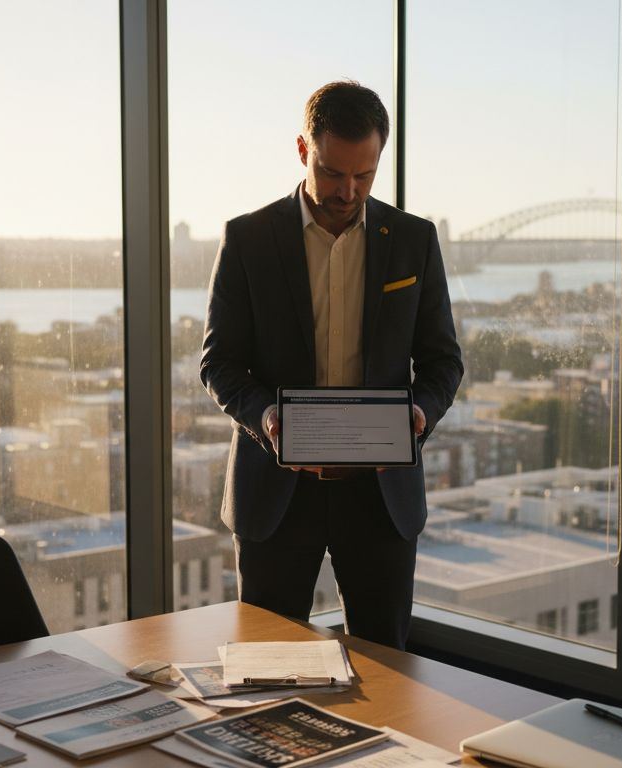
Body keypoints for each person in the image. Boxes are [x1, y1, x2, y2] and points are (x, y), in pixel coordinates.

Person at [199, 81, 463, 649]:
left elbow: (444, 362)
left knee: (387, 664)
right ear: (302, 150)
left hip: (381, 494)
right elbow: (219, 363)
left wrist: (419, 413)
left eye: (364, 175)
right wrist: (265, 417)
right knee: (268, 664)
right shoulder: (248, 239)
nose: (348, 191)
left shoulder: (413, 241)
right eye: (332, 173)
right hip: (275, 490)